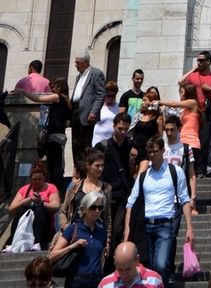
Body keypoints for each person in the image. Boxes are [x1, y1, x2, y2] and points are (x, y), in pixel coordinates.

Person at [123, 137, 194, 285]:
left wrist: (189, 228)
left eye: (155, 151)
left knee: (160, 265)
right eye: (149, 152)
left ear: (162, 150)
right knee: (148, 267)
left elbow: (184, 199)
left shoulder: (175, 171)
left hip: (165, 225)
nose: (152, 155)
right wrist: (127, 230)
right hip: (146, 225)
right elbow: (130, 203)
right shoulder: (144, 176)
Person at [50, 190, 109, 288]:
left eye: (100, 207)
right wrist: (72, 246)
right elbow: (52, 256)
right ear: (84, 208)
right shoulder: (73, 229)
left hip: (96, 281)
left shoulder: (102, 232)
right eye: (93, 207)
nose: (97, 211)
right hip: (76, 281)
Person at [97, 113, 137, 257]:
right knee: (104, 229)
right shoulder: (103, 146)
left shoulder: (131, 145)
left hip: (123, 195)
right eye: (120, 128)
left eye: (126, 129)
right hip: (106, 194)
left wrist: (132, 161)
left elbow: (133, 172)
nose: (123, 132)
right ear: (114, 126)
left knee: (117, 229)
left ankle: (114, 259)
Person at [24, 77, 72, 190]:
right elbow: (67, 123)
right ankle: (57, 188)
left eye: (54, 87)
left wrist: (23, 92)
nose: (52, 89)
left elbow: (37, 98)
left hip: (54, 136)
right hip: (61, 136)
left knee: (53, 165)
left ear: (59, 87)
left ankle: (54, 189)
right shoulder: (67, 101)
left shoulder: (57, 97)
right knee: (58, 164)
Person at [179, 52, 211, 178]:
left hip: (205, 112)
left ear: (208, 62)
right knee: (191, 139)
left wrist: (210, 90)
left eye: (202, 60)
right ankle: (189, 166)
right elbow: (180, 82)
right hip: (192, 112)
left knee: (205, 141)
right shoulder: (193, 76)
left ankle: (201, 169)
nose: (199, 63)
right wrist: (192, 70)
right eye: (198, 60)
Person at [9, 158, 61, 250]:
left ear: (44, 178)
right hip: (25, 227)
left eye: (40, 179)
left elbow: (56, 206)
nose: (37, 182)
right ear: (31, 179)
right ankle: (12, 242)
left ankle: (37, 242)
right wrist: (27, 200)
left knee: (39, 209)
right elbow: (11, 209)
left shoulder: (51, 188)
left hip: (44, 227)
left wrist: (41, 202)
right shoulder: (24, 189)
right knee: (21, 209)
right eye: (34, 179)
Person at [71, 54, 107, 165]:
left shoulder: (96, 74)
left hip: (87, 114)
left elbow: (101, 95)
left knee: (85, 145)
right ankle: (77, 167)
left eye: (77, 63)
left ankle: (85, 168)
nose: (75, 65)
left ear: (85, 62)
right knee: (75, 144)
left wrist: (93, 112)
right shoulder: (79, 76)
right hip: (76, 111)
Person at [162, 116, 196, 215]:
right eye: (167, 130)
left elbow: (191, 174)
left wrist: (193, 196)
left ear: (179, 129)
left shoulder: (186, 148)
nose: (169, 133)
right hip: (162, 193)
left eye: (172, 130)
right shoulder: (160, 147)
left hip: (179, 194)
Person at [97, 240, 164, 288]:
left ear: (137, 260)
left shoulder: (154, 280)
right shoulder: (105, 284)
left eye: (128, 269)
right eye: (120, 270)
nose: (124, 275)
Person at [129, 89, 162, 158]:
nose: (142, 103)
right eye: (142, 100)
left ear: (152, 102)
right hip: (134, 149)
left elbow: (160, 135)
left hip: (147, 151)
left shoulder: (158, 118)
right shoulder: (139, 115)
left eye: (144, 100)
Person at [92, 85, 121, 149]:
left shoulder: (119, 106)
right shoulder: (98, 106)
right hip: (98, 139)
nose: (111, 98)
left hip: (112, 140)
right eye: (108, 95)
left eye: (113, 96)